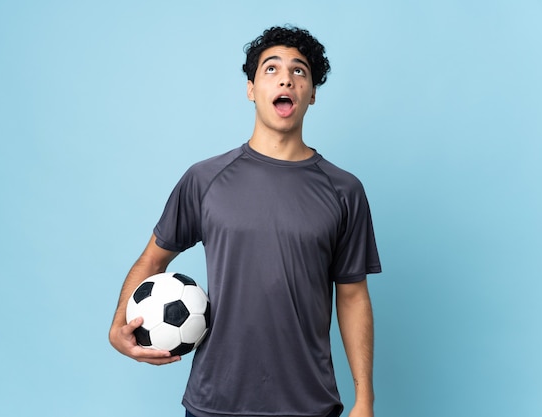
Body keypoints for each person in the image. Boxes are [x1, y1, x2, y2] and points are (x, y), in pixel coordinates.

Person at [109, 25, 382, 417]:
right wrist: (118, 324)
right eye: (271, 69)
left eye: (299, 71)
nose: (286, 77)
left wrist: (365, 402)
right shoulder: (205, 179)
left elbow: (353, 296)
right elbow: (152, 260)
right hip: (214, 403)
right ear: (251, 88)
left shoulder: (344, 190)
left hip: (308, 405)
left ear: (312, 93)